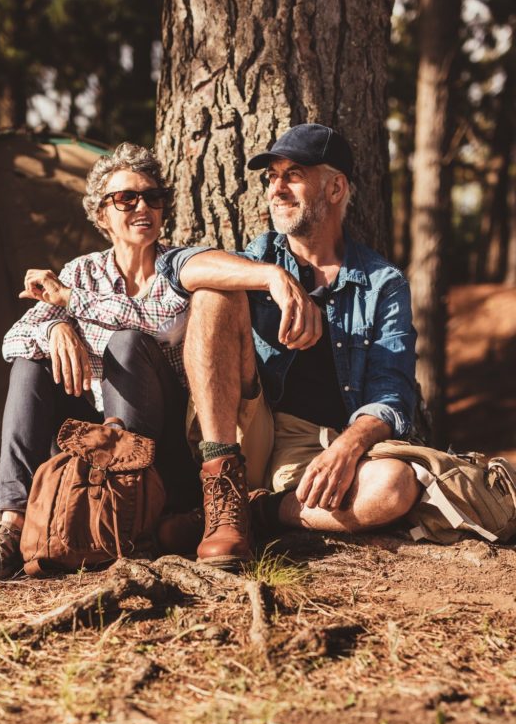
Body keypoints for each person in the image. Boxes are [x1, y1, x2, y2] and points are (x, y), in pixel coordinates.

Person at [0, 142, 205, 582]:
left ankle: (128, 516)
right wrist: (54, 329)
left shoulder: (177, 269)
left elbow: (156, 320)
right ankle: (11, 527)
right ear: (102, 215)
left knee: (126, 343)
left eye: (152, 197)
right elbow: (12, 341)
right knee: (30, 365)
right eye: (126, 198)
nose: (142, 206)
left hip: (159, 452)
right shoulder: (82, 271)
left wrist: (73, 304)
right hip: (91, 441)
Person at [159, 123, 421, 541]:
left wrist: (348, 447)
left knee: (393, 487)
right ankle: (222, 493)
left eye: (293, 175)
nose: (276, 189)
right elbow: (175, 266)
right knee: (213, 293)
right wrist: (272, 278)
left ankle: (258, 511)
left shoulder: (382, 283)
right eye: (272, 177)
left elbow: (392, 392)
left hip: (312, 448)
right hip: (242, 426)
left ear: (335, 189)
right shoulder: (260, 256)